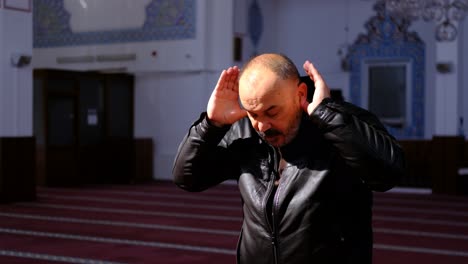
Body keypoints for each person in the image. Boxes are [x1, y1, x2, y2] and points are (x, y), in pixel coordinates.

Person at [172, 53, 405, 264]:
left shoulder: (342, 124)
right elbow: (188, 178)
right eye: (254, 114)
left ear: (300, 93)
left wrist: (327, 116)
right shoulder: (245, 135)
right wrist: (211, 125)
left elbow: (388, 173)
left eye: (272, 112)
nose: (262, 125)